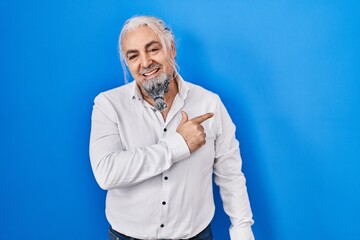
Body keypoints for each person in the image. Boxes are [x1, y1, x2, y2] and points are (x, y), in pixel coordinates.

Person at [89, 15, 255, 240]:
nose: (146, 62)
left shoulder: (209, 103)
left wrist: (242, 229)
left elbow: (230, 173)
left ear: (172, 49)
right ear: (127, 63)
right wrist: (178, 145)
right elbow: (106, 173)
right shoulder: (108, 105)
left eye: (153, 49)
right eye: (133, 55)